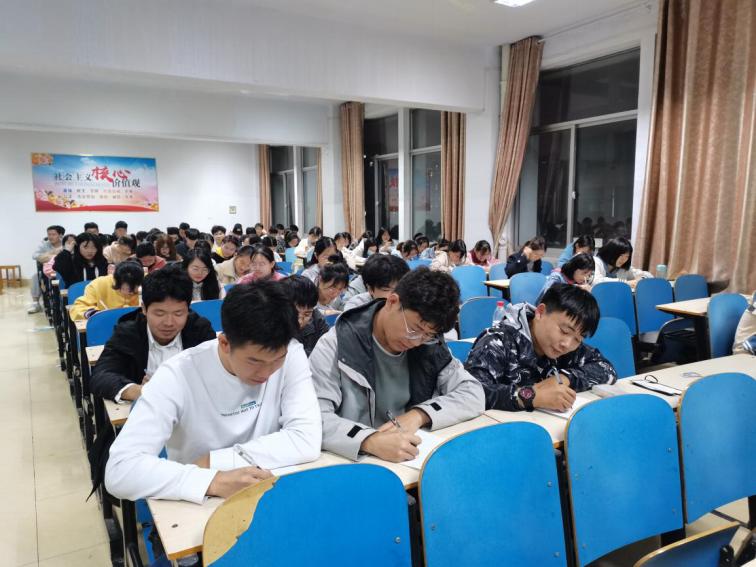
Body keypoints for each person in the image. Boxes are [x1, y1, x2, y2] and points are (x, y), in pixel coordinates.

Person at [104, 280, 322, 503]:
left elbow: (306, 439)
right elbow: (120, 471)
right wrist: (214, 481)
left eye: (277, 360)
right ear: (225, 343)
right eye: (254, 361)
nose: (267, 373)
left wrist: (213, 462)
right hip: (197, 502)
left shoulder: (292, 354)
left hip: (268, 493)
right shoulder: (176, 375)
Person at [310, 268, 485, 462]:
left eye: (428, 335)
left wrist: (419, 415)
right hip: (355, 461)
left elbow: (472, 393)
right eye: (414, 329)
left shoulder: (429, 345)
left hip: (410, 459)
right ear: (392, 302)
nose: (416, 342)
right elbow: (315, 419)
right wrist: (369, 440)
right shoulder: (337, 345)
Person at [465, 284, 617, 412]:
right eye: (564, 331)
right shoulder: (497, 341)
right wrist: (531, 396)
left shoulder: (568, 347)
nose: (567, 344)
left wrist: (566, 378)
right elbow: (471, 393)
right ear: (540, 312)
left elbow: (607, 368)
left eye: (578, 339)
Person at [90, 265, 216, 403]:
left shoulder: (200, 330)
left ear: (188, 309)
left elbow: (217, 371)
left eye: (178, 313)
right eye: (159, 313)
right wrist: (142, 391)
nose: (169, 323)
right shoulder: (128, 333)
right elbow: (101, 376)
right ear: (144, 309)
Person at [69, 261, 144, 320]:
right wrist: (93, 313)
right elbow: (78, 307)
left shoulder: (146, 285)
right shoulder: (99, 284)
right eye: (122, 288)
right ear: (116, 280)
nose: (126, 292)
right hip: (104, 325)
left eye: (131, 290)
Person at [280, 276, 330, 356]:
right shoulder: (268, 324)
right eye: (294, 313)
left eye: (307, 314)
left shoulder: (318, 321)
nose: (299, 321)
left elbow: (326, 353)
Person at [343, 254, 409, 311]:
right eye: (386, 290)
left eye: (400, 289)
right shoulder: (356, 307)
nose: (395, 295)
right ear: (370, 289)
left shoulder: (408, 304)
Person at [29, 225, 64, 314]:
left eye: (53, 234)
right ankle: (36, 303)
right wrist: (53, 254)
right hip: (48, 270)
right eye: (49, 234)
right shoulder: (45, 244)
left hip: (63, 269)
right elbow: (35, 256)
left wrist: (47, 256)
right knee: (35, 276)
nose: (51, 237)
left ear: (60, 235)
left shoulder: (65, 243)